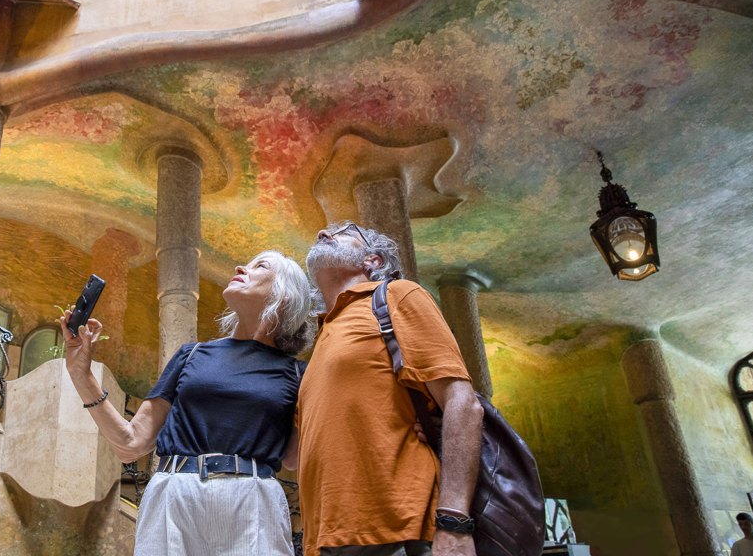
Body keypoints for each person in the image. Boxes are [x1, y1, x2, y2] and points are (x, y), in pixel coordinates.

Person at [61, 250, 311, 556]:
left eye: (260, 266)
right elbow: (131, 443)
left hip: (253, 502)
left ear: (285, 296)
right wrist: (80, 374)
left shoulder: (298, 374)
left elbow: (294, 459)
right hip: (173, 494)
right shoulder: (190, 355)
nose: (240, 267)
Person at [296, 221, 485, 556]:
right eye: (322, 231)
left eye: (345, 232)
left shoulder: (396, 295)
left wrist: (454, 523)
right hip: (326, 539)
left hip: (398, 530)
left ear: (373, 261)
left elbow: (461, 402)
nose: (323, 232)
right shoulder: (323, 337)